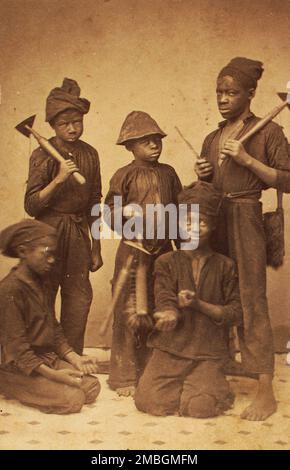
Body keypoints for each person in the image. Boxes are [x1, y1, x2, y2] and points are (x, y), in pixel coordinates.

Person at [195, 57, 290, 420]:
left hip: (246, 217)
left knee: (251, 296)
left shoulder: (268, 132)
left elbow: (288, 180)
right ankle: (220, 364)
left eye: (231, 92)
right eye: (219, 91)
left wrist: (247, 160)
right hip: (215, 217)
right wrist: (203, 172)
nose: (222, 98)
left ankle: (265, 387)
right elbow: (208, 185)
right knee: (214, 289)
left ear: (250, 94)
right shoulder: (212, 137)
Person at [135, 181, 242, 418]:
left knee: (200, 408)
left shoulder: (225, 266)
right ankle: (192, 387)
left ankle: (203, 386)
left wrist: (198, 304)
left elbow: (235, 312)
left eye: (201, 222)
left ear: (213, 226)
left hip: (208, 352)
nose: (194, 229)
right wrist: (169, 313)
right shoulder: (166, 261)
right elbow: (164, 297)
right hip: (172, 348)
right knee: (148, 401)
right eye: (187, 222)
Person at [104, 111, 182, 396]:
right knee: (128, 311)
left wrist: (181, 250)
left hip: (162, 252)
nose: (154, 145)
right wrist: (123, 212)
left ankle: (154, 370)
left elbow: (179, 209)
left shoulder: (169, 173)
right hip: (133, 251)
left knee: (160, 307)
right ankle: (124, 376)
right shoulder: (122, 175)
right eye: (145, 141)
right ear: (130, 146)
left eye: (156, 139)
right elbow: (108, 215)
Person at [24, 78, 103, 355]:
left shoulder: (90, 154)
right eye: (64, 124)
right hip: (48, 232)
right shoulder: (42, 155)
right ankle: (44, 358)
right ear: (52, 126)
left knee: (79, 297)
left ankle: (73, 358)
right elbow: (31, 205)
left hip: (79, 231)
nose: (72, 128)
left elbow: (94, 201)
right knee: (44, 295)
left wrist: (96, 246)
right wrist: (58, 179)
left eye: (77, 121)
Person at [0, 220, 100, 414]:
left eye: (54, 255)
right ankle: (9, 385)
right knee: (74, 399)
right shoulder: (9, 290)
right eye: (46, 254)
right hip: (19, 367)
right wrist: (55, 376)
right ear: (23, 252)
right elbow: (18, 351)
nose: (52, 260)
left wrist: (74, 358)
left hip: (45, 358)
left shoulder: (43, 282)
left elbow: (53, 329)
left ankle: (41, 388)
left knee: (92, 386)